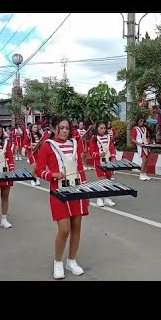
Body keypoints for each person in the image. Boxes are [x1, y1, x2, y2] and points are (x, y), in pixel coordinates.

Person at [35, 116, 88, 280]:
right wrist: (53, 175)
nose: (65, 131)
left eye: (67, 128)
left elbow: (80, 167)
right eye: (61, 127)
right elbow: (39, 170)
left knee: (77, 227)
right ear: (54, 128)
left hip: (77, 191)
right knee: (64, 230)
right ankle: (58, 262)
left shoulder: (75, 144)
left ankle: (71, 261)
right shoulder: (47, 146)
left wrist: (85, 188)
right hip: (59, 193)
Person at [89, 121, 117, 207]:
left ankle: (106, 198)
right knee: (102, 180)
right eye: (101, 128)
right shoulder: (94, 138)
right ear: (97, 128)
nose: (103, 130)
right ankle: (99, 198)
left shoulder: (109, 137)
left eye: (104, 128)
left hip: (108, 162)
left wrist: (113, 156)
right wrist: (98, 155)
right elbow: (91, 151)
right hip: (99, 162)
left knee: (108, 181)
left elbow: (112, 147)